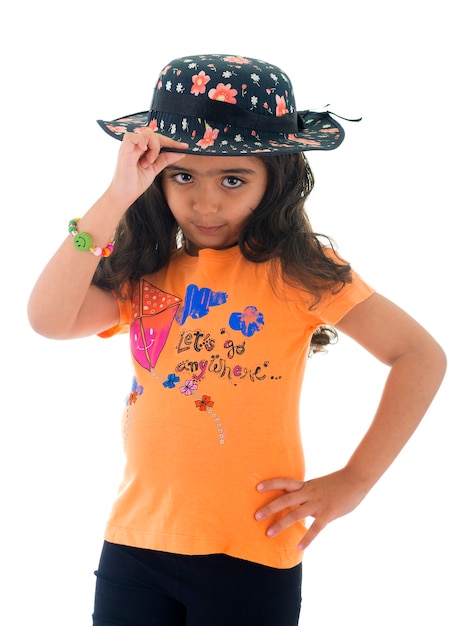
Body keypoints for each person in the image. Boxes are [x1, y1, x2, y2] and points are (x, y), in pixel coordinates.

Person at [28, 53, 446, 626]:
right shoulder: (147, 274)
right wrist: (114, 197)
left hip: (250, 551)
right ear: (157, 177)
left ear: (275, 178)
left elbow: (420, 355)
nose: (206, 202)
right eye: (183, 176)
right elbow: (48, 319)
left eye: (233, 178)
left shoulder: (300, 271)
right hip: (136, 543)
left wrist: (354, 481)